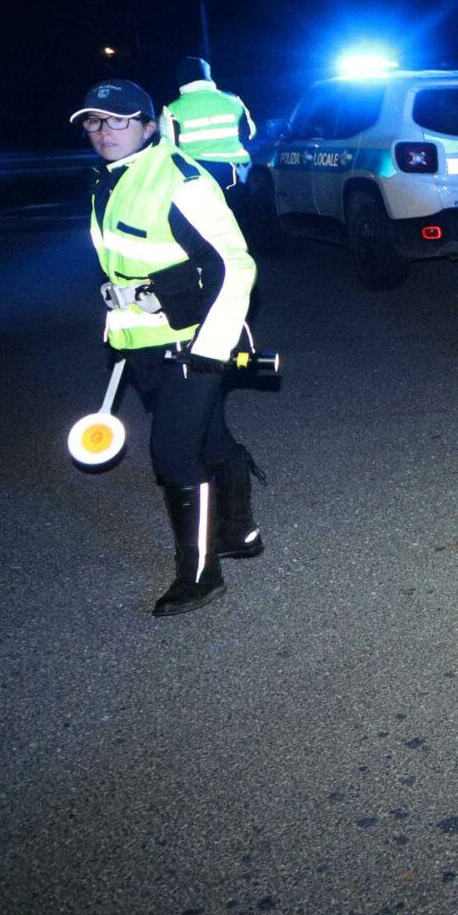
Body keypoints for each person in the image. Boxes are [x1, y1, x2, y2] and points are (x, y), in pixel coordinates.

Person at [71, 77, 266, 616]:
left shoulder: (182, 180)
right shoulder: (109, 180)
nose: (104, 132)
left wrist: (213, 344)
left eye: (118, 121)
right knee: (209, 438)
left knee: (174, 454)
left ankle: (200, 577)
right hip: (144, 342)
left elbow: (234, 264)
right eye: (93, 121)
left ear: (148, 125)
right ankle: (241, 532)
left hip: (193, 342)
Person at [163, 56, 257, 202]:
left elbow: (168, 146)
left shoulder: (172, 109)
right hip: (237, 171)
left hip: (196, 172)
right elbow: (250, 134)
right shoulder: (233, 100)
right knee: (239, 216)